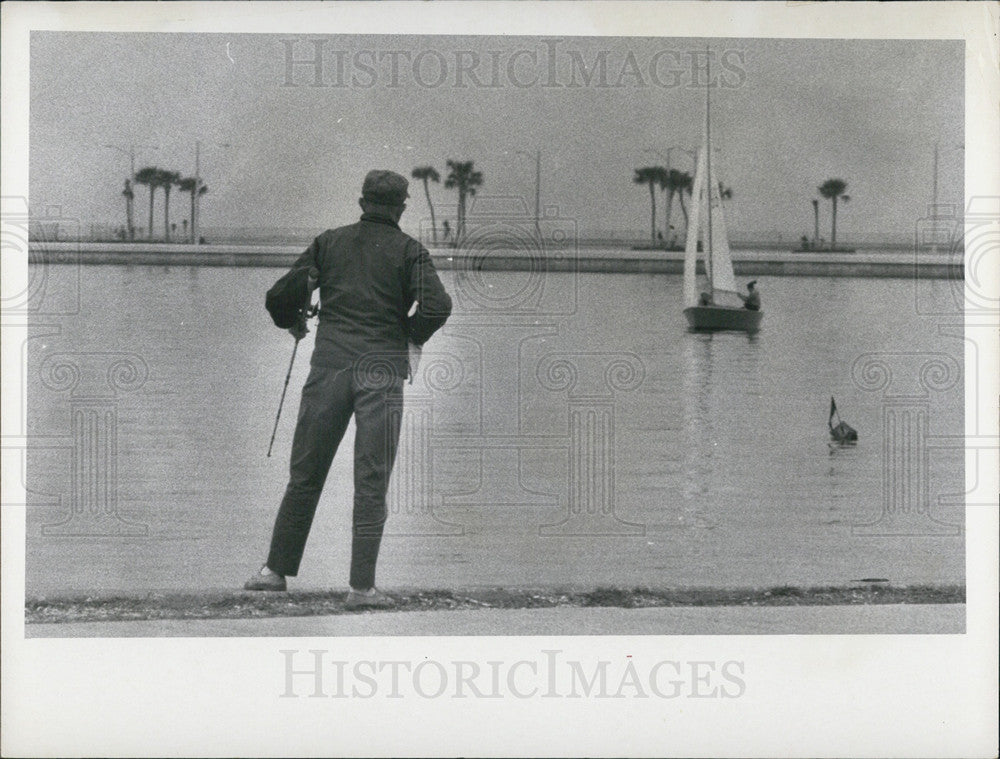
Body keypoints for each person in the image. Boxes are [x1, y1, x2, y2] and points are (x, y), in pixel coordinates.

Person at [245, 169, 452, 608]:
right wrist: (408, 336)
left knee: (305, 473)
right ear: (401, 207)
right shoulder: (410, 251)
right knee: (371, 479)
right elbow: (438, 305)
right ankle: (361, 588)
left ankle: (273, 572)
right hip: (381, 369)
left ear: (361, 202)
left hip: (329, 368)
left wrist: (294, 321)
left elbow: (279, 296)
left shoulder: (328, 242)